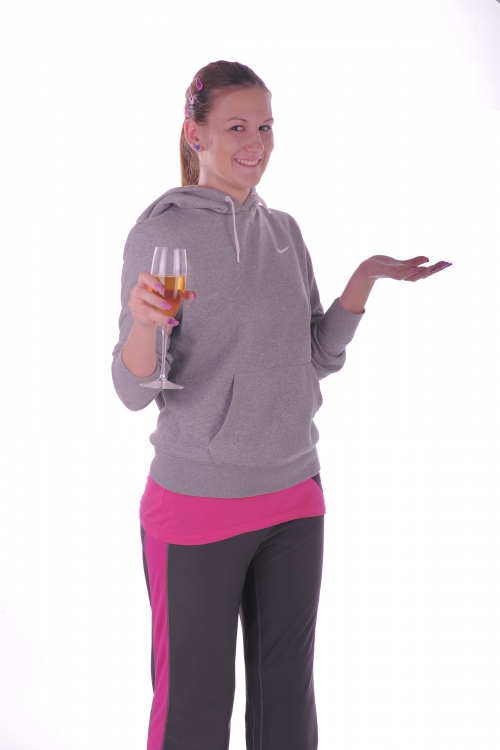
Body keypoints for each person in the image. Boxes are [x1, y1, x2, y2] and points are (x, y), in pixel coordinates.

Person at [111, 60, 451, 750]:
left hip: (295, 497)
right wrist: (144, 325)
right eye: (237, 126)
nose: (256, 143)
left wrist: (362, 281)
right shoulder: (164, 235)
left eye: (266, 126)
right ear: (196, 135)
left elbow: (315, 356)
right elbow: (132, 390)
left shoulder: (285, 232)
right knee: (193, 712)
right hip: (197, 508)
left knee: (287, 709)